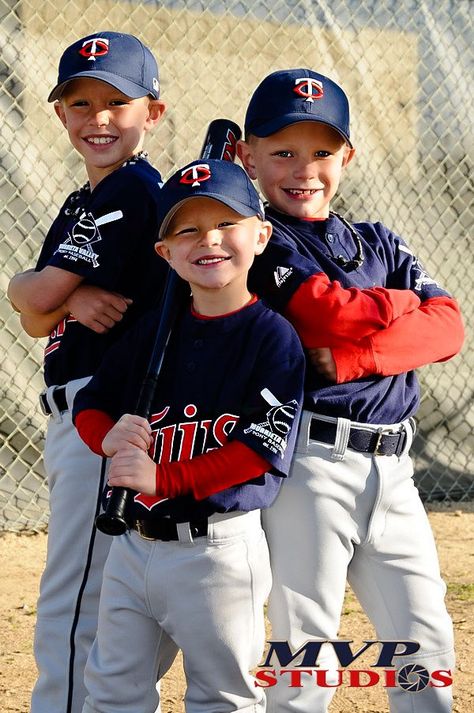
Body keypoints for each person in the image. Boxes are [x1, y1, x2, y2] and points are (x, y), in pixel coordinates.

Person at [237, 68, 464, 713]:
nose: (303, 169)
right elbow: (327, 310)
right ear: (249, 157)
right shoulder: (260, 239)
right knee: (307, 645)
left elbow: (447, 328)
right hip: (310, 460)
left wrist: (354, 357)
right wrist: (400, 305)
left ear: (348, 157)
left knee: (424, 639)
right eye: (282, 152)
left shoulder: (379, 240)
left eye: (322, 152)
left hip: (395, 468)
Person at [71, 158, 305, 713]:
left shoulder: (272, 338)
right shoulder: (154, 332)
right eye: (188, 230)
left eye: (226, 223)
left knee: (222, 696)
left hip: (217, 549)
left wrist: (164, 476)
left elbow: (256, 451)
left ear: (261, 234)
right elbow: (91, 402)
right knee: (112, 691)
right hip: (132, 542)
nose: (210, 240)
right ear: (165, 253)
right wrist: (107, 438)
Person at [7, 31, 171, 713]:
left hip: (100, 413)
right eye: (81, 102)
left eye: (116, 102)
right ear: (60, 114)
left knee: (78, 593)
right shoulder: (88, 198)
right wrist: (65, 293)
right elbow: (35, 312)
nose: (97, 118)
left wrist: (50, 291)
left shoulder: (129, 192)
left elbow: (32, 298)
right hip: (93, 411)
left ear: (151, 113)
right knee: (108, 587)